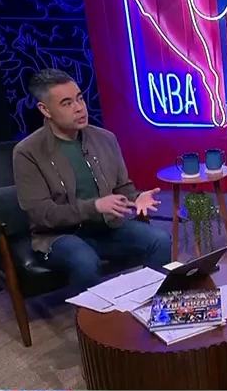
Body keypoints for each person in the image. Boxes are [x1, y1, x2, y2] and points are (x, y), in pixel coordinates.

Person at [13, 69, 172, 292]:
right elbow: (42, 214)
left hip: (106, 227)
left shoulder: (105, 139)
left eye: (80, 98)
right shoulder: (28, 152)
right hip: (59, 236)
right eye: (67, 103)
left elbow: (122, 187)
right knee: (84, 261)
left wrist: (136, 198)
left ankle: (153, 303)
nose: (79, 108)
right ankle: (90, 315)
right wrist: (94, 206)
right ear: (45, 109)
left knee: (160, 240)